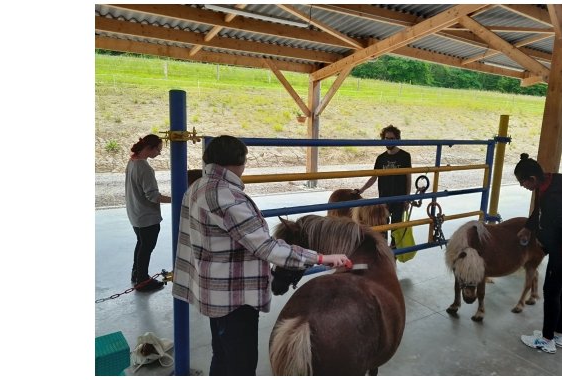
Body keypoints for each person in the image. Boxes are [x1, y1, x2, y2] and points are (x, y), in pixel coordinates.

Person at [171, 135, 350, 376]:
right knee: (241, 365)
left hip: (213, 293)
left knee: (222, 356)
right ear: (239, 162)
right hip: (235, 298)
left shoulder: (197, 187)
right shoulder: (227, 197)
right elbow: (266, 247)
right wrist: (321, 258)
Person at [514, 153, 562, 354]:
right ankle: (559, 335)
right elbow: (538, 211)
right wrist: (529, 227)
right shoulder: (547, 186)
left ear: (533, 179)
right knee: (560, 290)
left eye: (523, 182)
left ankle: (546, 340)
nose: (522, 186)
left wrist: (544, 240)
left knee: (551, 292)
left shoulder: (553, 197)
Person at [125, 134, 171, 292]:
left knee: (141, 245)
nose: (159, 153)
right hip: (147, 217)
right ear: (149, 148)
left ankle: (137, 274)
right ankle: (142, 281)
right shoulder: (144, 167)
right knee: (146, 248)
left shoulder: (132, 161)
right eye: (158, 149)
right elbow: (152, 196)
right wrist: (176, 199)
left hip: (136, 214)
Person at [356, 125, 412, 247]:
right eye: (386, 138)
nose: (389, 141)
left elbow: (408, 177)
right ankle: (384, 254)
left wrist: (407, 198)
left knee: (396, 230)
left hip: (399, 198)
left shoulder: (405, 156)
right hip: (384, 199)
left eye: (392, 138)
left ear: (397, 139)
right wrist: (362, 190)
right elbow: (374, 177)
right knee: (382, 229)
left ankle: (394, 257)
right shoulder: (380, 158)